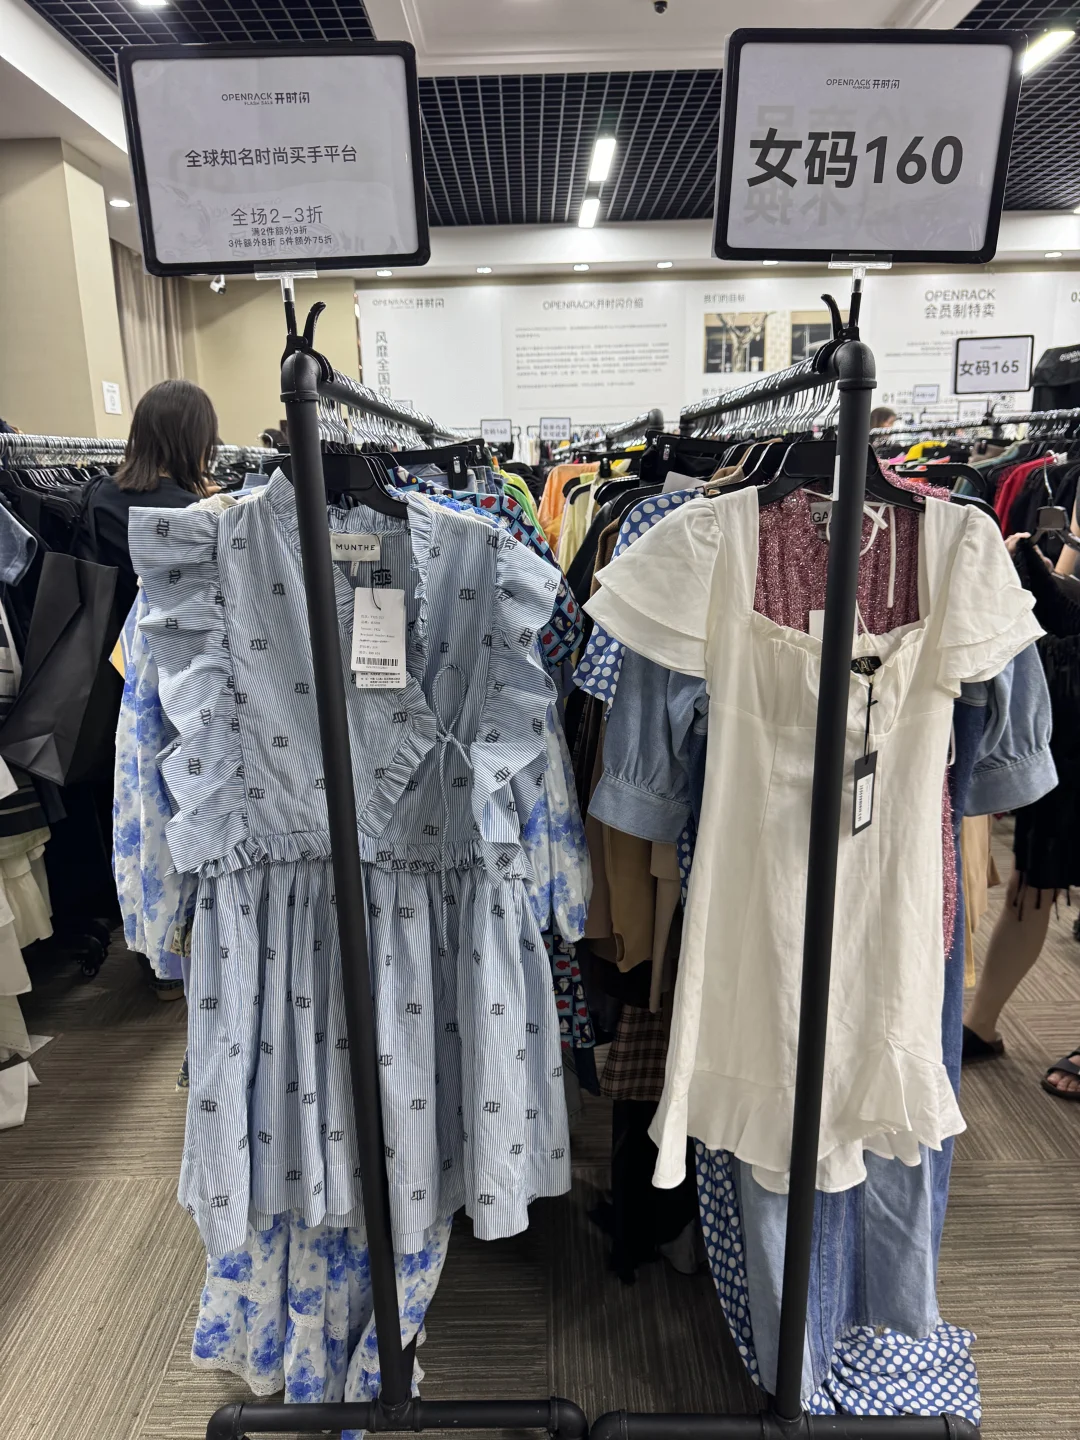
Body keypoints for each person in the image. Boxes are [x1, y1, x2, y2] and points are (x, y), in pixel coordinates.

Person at [82, 380, 219, 1003]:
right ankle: (195, 941)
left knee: (142, 803)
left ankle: (155, 949)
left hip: (122, 673)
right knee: (193, 800)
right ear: (193, 438)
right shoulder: (193, 509)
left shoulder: (98, 499)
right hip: (190, 671)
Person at [84, 379, 218, 618]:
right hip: (170, 639)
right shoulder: (195, 516)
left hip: (106, 632)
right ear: (197, 442)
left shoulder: (98, 492)